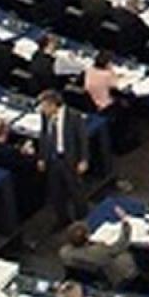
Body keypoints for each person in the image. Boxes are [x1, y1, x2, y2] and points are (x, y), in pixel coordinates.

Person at [37, 90, 89, 227]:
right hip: (52, 159)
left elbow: (82, 139)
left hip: (69, 159)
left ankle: (82, 222)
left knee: (76, 191)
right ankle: (62, 220)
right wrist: (42, 157)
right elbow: (43, 135)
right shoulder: (45, 116)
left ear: (53, 105)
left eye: (44, 106)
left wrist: (84, 159)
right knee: (56, 193)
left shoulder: (74, 116)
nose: (42, 109)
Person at [60, 209, 139, 286]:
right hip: (113, 278)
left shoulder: (64, 252)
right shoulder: (98, 252)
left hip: (87, 280)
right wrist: (125, 223)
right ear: (87, 236)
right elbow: (120, 246)